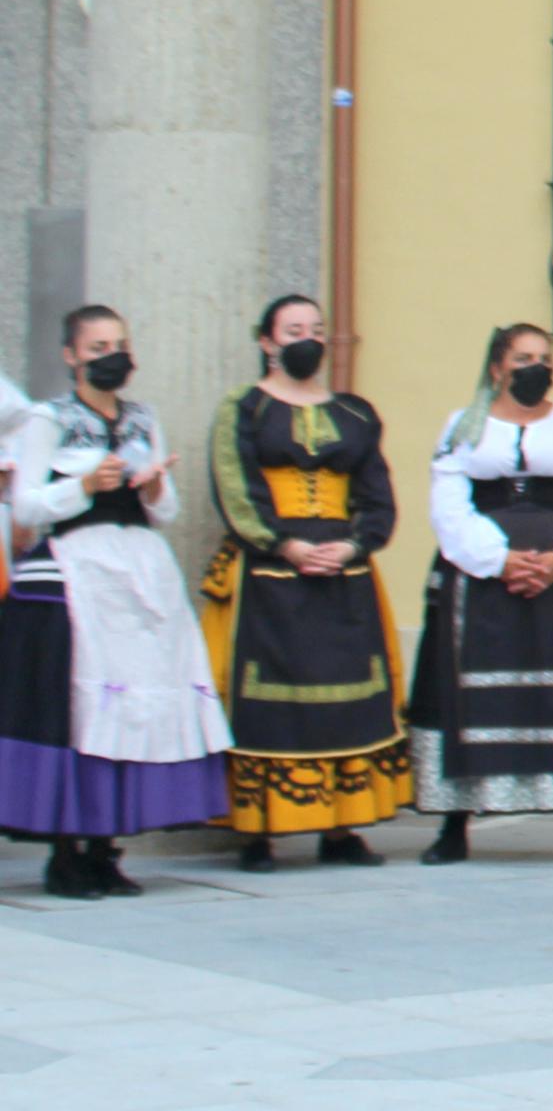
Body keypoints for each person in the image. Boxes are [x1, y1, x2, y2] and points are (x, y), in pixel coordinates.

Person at [2, 312, 228, 893]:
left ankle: (107, 845)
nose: (112, 355)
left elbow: (167, 509)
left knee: (138, 704)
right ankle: (65, 849)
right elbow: (24, 506)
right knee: (84, 707)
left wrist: (152, 487)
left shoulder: (142, 418)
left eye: (119, 345)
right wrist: (81, 487)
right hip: (79, 568)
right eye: (98, 346)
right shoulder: (47, 419)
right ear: (72, 356)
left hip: (141, 568)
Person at [413, 325, 553, 865]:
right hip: (480, 578)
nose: (535, 367)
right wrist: (497, 560)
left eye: (543, 358)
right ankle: (453, 825)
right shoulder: (463, 426)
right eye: (522, 358)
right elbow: (448, 502)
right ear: (497, 368)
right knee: (466, 694)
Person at [199, 295, 407, 868]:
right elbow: (235, 487)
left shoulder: (356, 413)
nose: (307, 339)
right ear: (267, 342)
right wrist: (283, 544)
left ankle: (342, 829)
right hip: (269, 570)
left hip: (344, 572)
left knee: (349, 699)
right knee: (269, 702)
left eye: (316, 328)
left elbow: (377, 496)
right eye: (293, 330)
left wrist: (354, 544)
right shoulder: (244, 408)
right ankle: (259, 830)